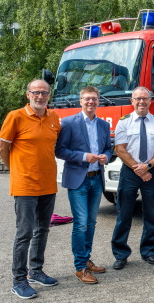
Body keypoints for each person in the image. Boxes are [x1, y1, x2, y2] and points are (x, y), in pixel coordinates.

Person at [0, 79, 61, 299]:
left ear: (49, 95)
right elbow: (2, 148)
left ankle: (36, 271)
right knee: (24, 233)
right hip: (24, 184)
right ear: (28, 94)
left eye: (44, 93)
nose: (40, 96)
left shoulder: (54, 117)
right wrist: (17, 170)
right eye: (36, 92)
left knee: (43, 229)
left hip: (48, 183)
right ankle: (19, 280)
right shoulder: (15, 116)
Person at [55, 86, 112, 284]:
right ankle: (80, 268)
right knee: (80, 224)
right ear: (80, 101)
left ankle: (86, 260)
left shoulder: (104, 125)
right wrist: (83, 156)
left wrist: (107, 156)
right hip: (78, 180)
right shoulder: (69, 123)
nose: (91, 102)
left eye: (94, 99)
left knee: (91, 223)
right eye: (87, 99)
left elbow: (108, 148)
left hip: (96, 179)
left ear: (98, 101)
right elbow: (60, 150)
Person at [111, 87, 154, 270]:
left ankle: (149, 252)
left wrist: (148, 167)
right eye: (138, 99)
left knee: (151, 214)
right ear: (132, 101)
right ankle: (121, 254)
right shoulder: (124, 122)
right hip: (130, 172)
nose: (141, 102)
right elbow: (120, 149)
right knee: (124, 214)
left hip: (151, 171)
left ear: (150, 101)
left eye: (145, 99)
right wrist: (140, 169)